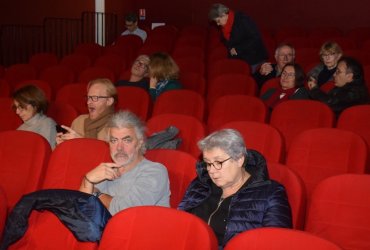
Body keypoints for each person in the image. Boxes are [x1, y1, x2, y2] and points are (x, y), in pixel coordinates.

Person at [178, 129, 292, 248]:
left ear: (239, 160)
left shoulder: (271, 193)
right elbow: (180, 226)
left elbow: (276, 243)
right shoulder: (199, 185)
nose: (211, 170)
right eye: (208, 163)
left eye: (218, 162)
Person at [79, 110, 170, 215]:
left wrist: (96, 194)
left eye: (126, 140)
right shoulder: (105, 171)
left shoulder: (155, 172)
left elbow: (125, 212)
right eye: (114, 140)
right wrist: (87, 179)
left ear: (139, 143)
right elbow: (81, 210)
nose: (119, 148)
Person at [208, 3, 268, 73]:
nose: (218, 24)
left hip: (254, 59)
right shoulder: (225, 26)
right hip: (240, 58)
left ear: (224, 15)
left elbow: (256, 39)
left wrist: (238, 49)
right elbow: (228, 42)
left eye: (218, 21)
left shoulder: (243, 20)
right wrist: (231, 49)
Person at [56, 78, 117, 144]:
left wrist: (83, 142)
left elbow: (111, 154)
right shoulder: (79, 121)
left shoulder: (118, 127)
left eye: (94, 98)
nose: (88, 102)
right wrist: (61, 145)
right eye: (88, 97)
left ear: (109, 101)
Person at [12, 84, 57, 149]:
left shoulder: (47, 124)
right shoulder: (20, 128)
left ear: (35, 104)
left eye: (21, 107)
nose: (17, 112)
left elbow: (47, 153)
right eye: (16, 107)